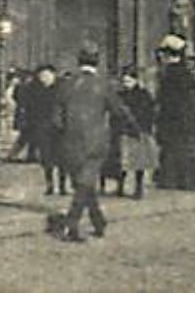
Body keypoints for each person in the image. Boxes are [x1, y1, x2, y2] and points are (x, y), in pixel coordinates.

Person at [47, 44, 136, 243]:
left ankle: (98, 221)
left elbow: (56, 117)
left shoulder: (66, 84)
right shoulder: (104, 85)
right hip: (95, 141)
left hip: (69, 141)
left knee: (83, 183)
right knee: (85, 183)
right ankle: (72, 224)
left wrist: (61, 135)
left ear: (79, 61)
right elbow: (120, 111)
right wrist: (134, 129)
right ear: (98, 61)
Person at [153, 35, 195, 190]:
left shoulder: (169, 75)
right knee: (189, 148)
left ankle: (174, 179)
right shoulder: (187, 73)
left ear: (168, 55)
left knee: (173, 148)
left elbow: (165, 100)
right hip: (187, 118)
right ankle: (191, 179)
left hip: (173, 118)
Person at [103, 67, 158, 199]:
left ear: (135, 80)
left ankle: (138, 188)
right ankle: (120, 187)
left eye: (129, 81)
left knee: (139, 162)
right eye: (124, 81)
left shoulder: (143, 95)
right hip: (122, 132)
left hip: (138, 132)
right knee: (122, 162)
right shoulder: (120, 95)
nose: (126, 84)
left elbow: (149, 112)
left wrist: (143, 127)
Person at [27, 65, 63, 195]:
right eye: (41, 76)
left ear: (53, 75)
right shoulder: (35, 90)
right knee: (46, 158)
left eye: (47, 76)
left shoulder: (61, 89)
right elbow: (31, 108)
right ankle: (50, 185)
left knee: (61, 158)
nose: (44, 79)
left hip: (59, 128)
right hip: (42, 128)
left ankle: (62, 185)